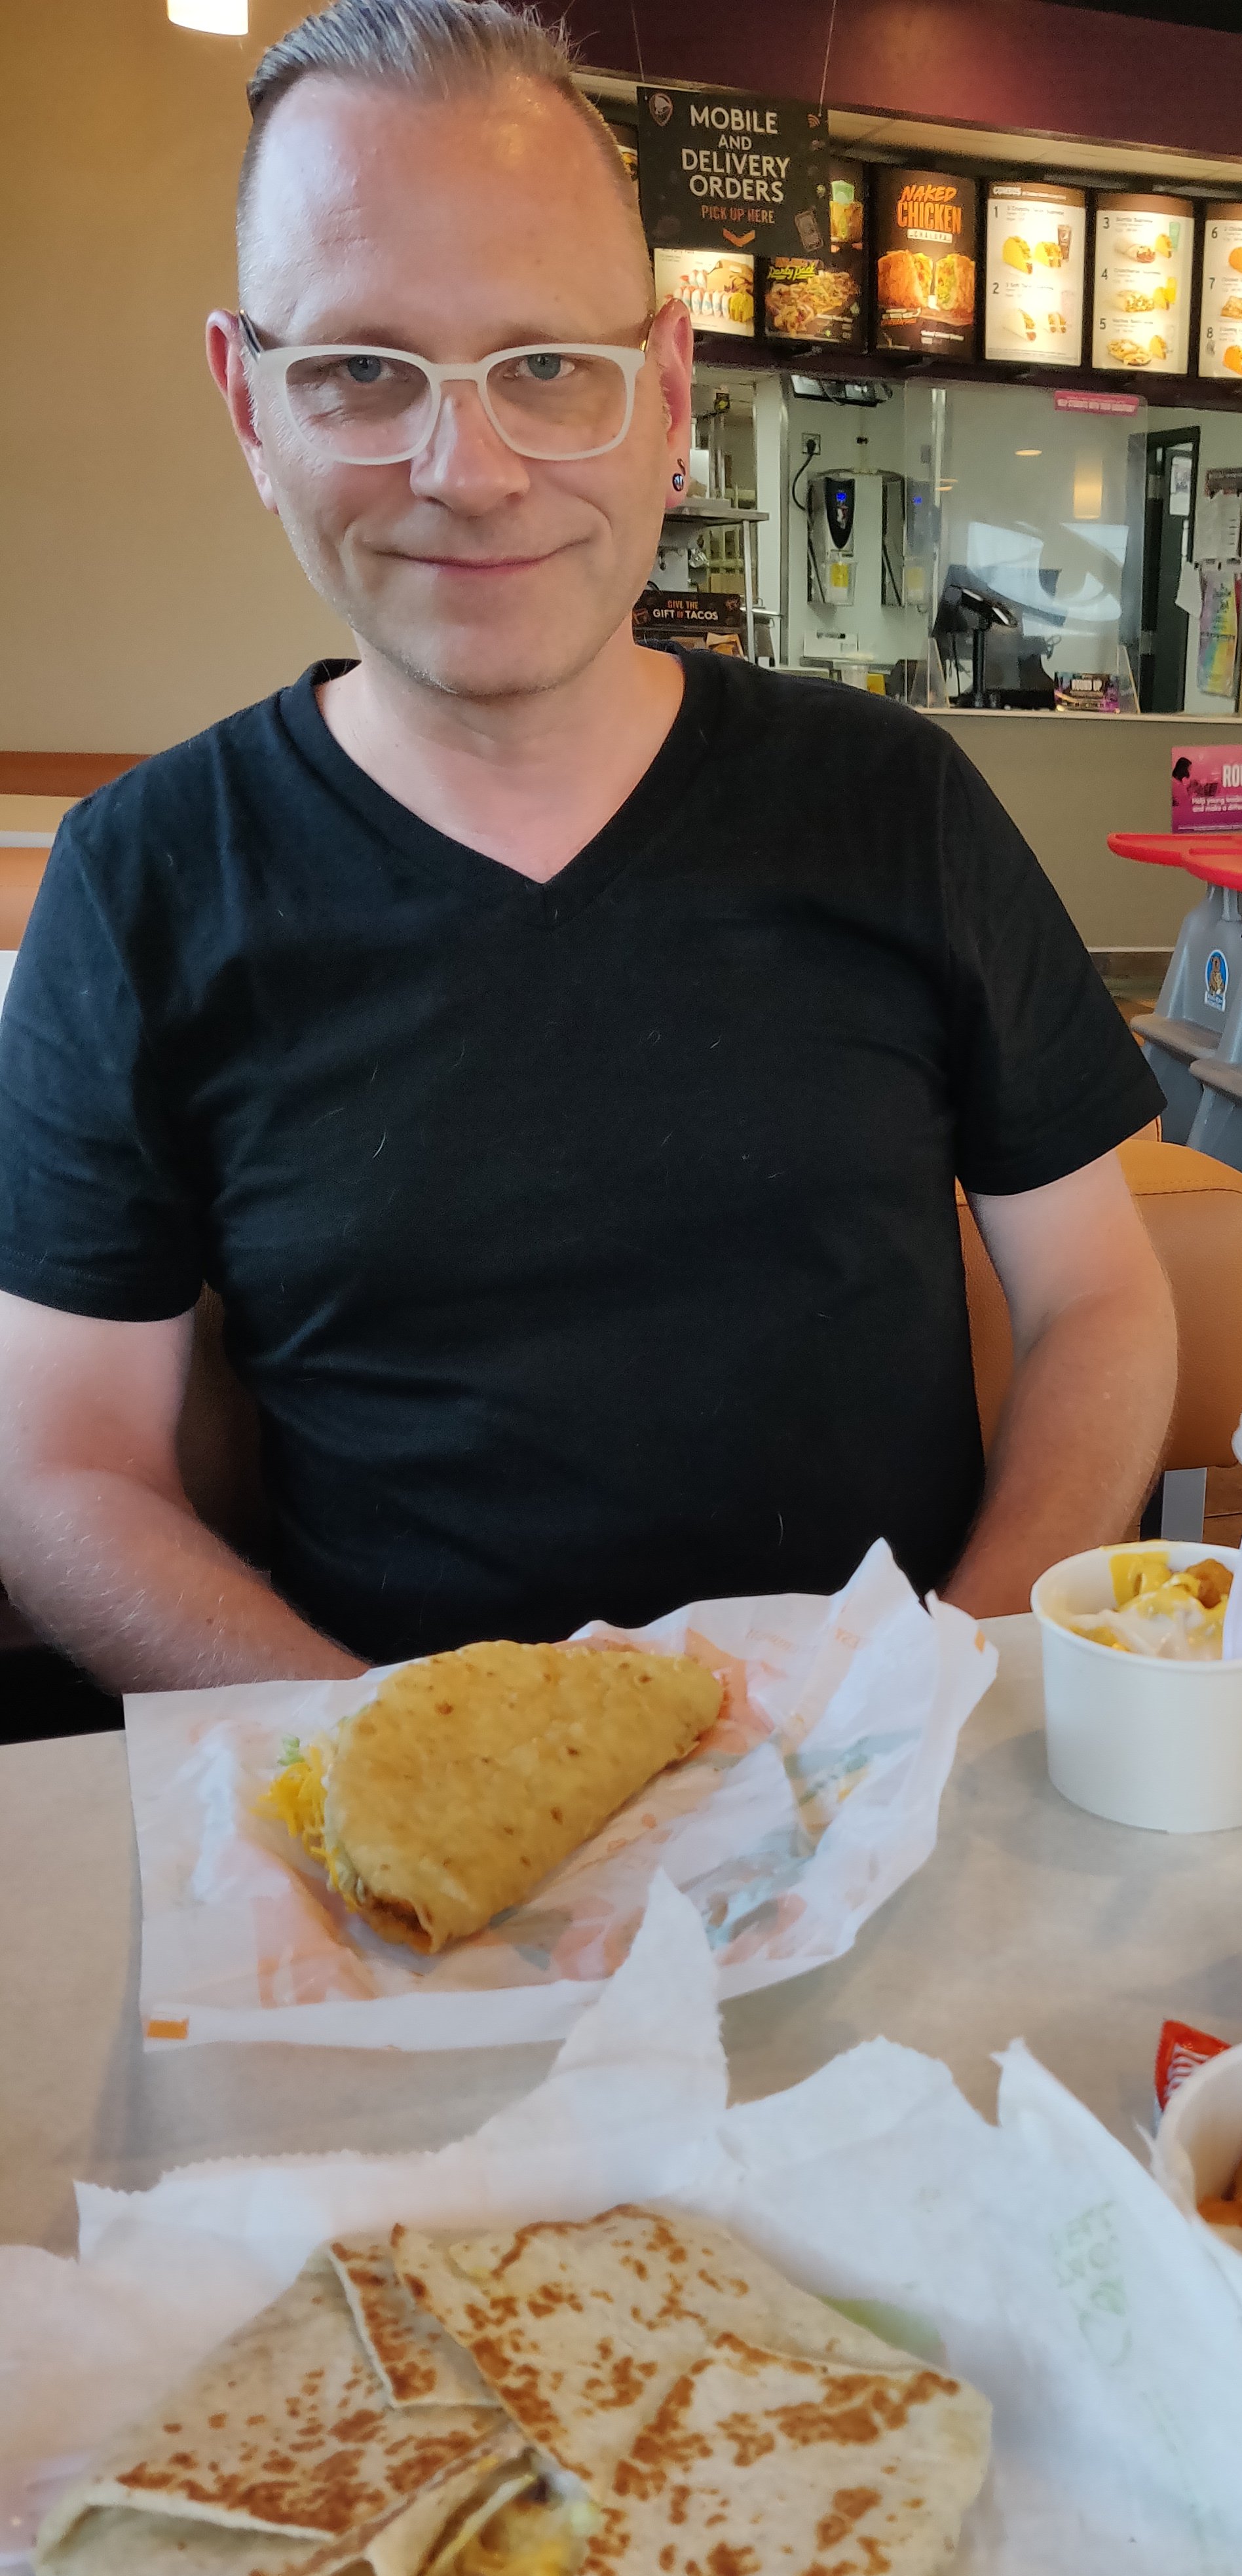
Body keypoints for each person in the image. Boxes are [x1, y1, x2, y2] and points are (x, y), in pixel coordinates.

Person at [0, 0, 1175, 1691]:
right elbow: (62, 1469)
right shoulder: (142, 882)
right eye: (361, 371)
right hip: (384, 1811)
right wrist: (396, 1774)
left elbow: (1099, 1302)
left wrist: (956, 1690)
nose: (469, 472)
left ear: (667, 390)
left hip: (886, 1784)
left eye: (548, 366)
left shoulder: (892, 802)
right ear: (251, 405)